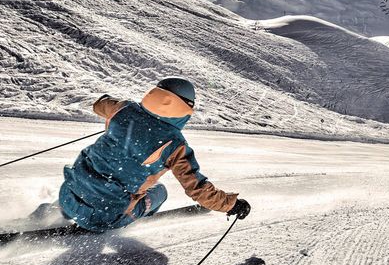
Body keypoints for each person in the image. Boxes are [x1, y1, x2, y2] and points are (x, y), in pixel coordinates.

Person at [56, 77, 251, 232]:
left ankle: (72, 207)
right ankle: (129, 215)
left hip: (66, 194)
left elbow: (100, 104)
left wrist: (120, 113)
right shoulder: (175, 145)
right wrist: (231, 205)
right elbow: (197, 189)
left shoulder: (123, 109)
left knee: (96, 178)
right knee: (160, 191)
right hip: (104, 217)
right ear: (185, 108)